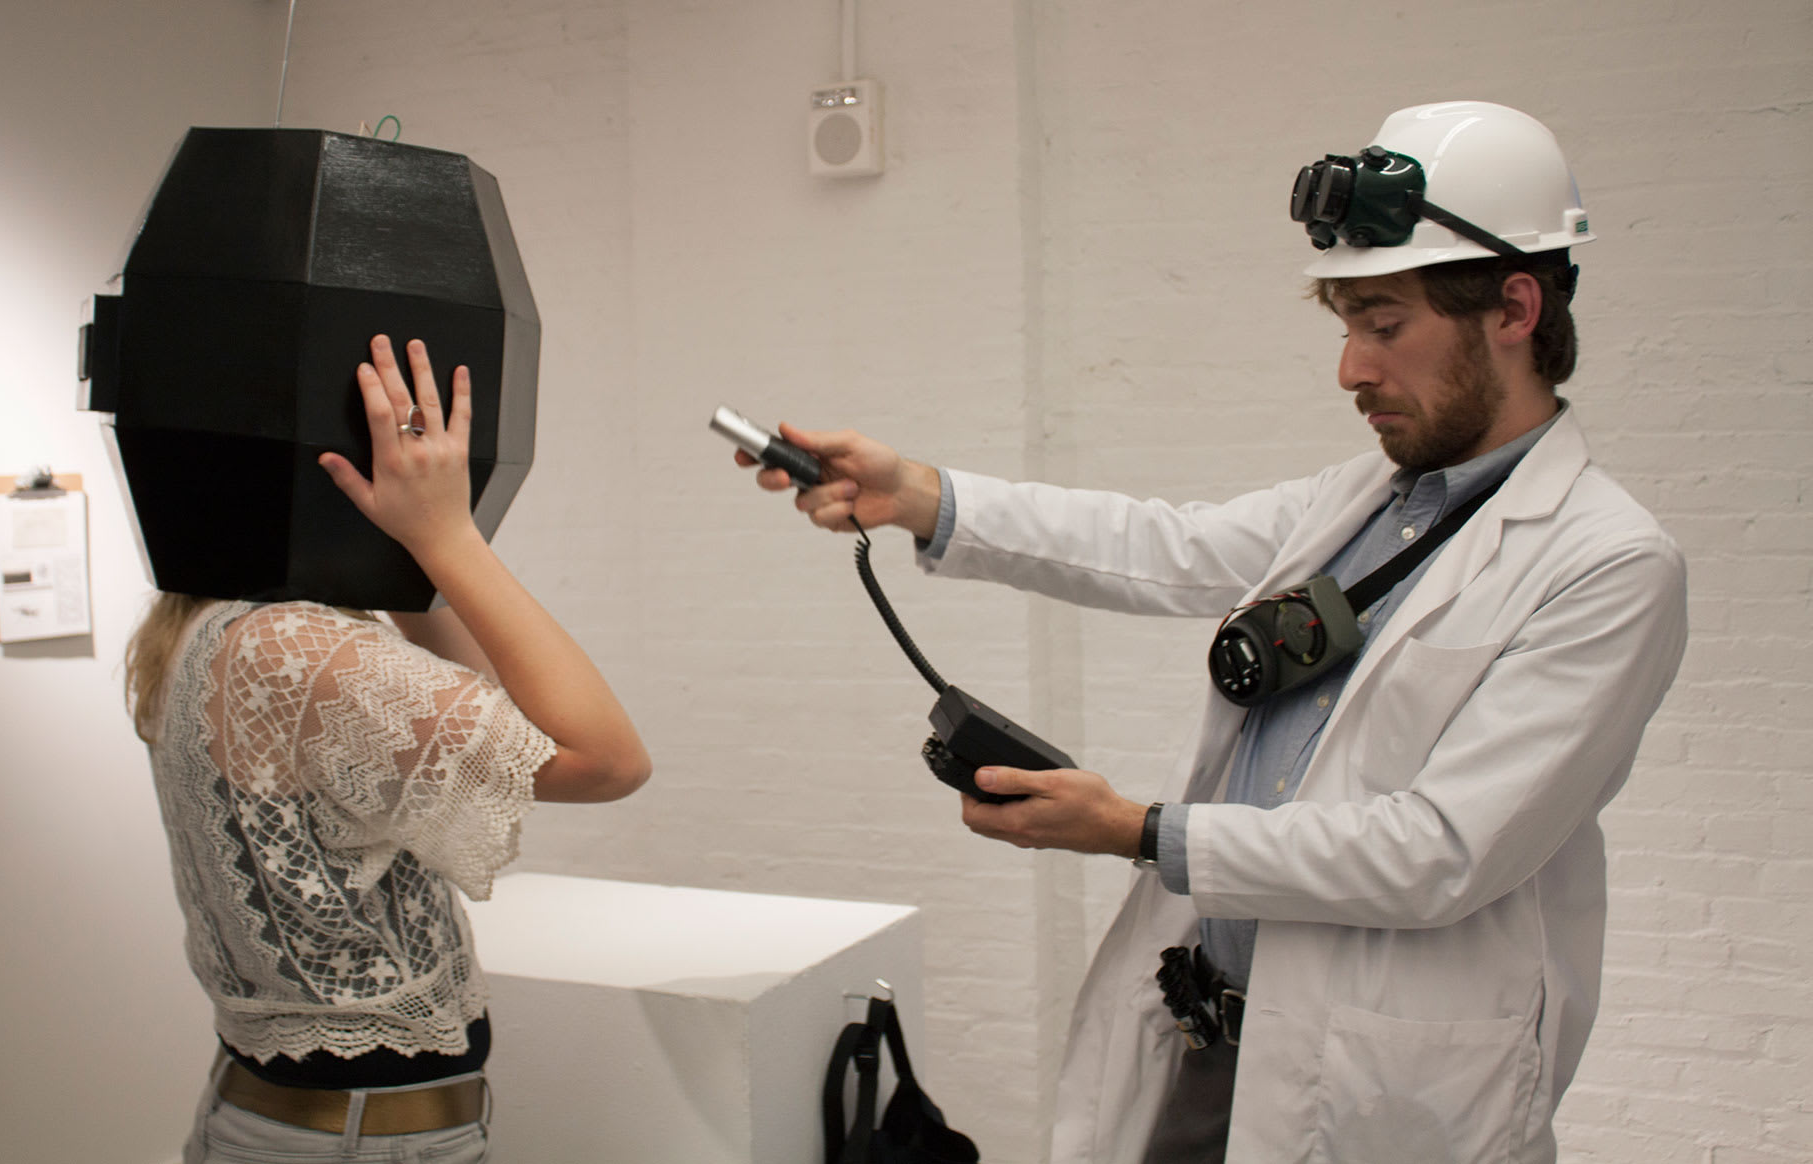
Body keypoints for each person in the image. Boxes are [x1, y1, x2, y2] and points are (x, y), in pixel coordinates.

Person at [739, 102, 1686, 1162]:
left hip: (1384, 1087)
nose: (1351, 371)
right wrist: (921, 494)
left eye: (1384, 327)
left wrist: (1141, 830)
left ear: (1514, 308)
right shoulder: (1366, 500)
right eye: (1345, 329)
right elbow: (1164, 547)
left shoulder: (1607, 563)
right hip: (1210, 1036)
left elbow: (1441, 853)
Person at [127, 335, 650, 1162]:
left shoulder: (207, 625)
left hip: (297, 1121)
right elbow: (608, 761)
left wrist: (414, 549)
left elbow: (510, 724)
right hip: (358, 1140)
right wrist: (450, 537)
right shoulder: (287, 649)